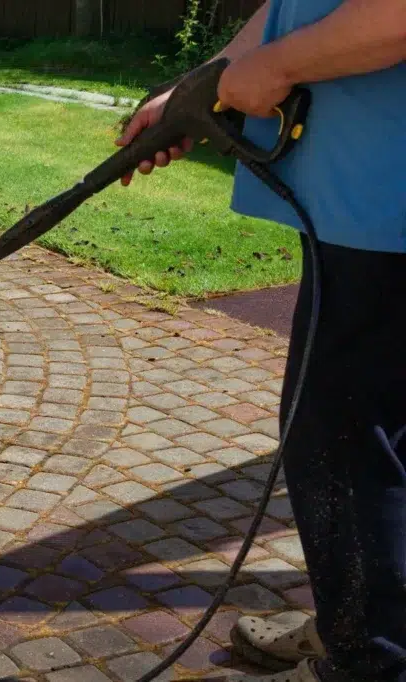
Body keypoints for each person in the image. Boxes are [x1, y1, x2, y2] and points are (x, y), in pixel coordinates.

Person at [116, 1, 406, 680]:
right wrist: (203, 83)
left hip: (382, 208)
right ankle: (368, 625)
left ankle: (371, 659)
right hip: (369, 197)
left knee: (345, 443)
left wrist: (270, 68)